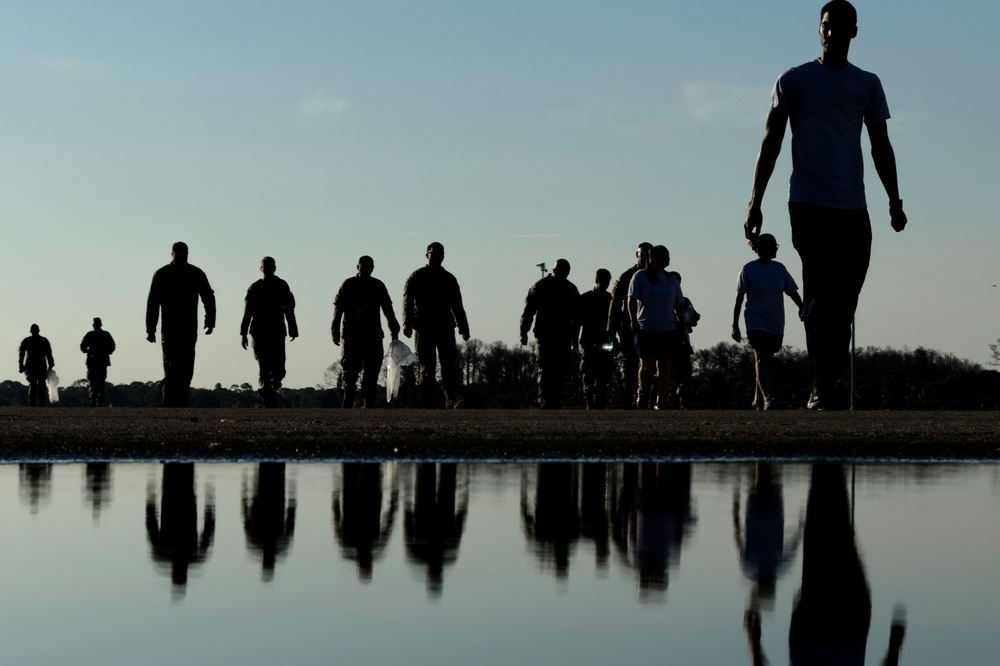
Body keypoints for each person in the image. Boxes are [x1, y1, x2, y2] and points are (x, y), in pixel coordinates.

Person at [744, 0, 907, 410]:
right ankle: (823, 386)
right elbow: (771, 143)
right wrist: (754, 202)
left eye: (840, 27)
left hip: (853, 208)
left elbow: (880, 147)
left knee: (844, 300)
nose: (831, 33)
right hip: (808, 204)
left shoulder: (866, 84)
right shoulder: (794, 80)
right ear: (819, 30)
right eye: (825, 26)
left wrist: (894, 200)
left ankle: (828, 379)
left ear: (854, 31)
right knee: (817, 296)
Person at [732, 234, 804, 410]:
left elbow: (791, 291)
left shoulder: (780, 269)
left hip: (775, 322)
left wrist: (802, 307)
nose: (776, 249)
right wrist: (735, 325)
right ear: (761, 248)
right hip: (755, 321)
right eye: (773, 246)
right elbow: (739, 298)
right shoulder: (748, 269)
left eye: (776, 246)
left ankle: (757, 400)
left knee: (765, 361)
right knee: (762, 359)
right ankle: (768, 398)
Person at [145, 242, 216, 407]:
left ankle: (182, 398)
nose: (182, 259)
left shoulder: (195, 273)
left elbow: (208, 297)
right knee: (170, 364)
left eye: (184, 256)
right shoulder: (162, 274)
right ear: (172, 254)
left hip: (189, 327)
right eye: (178, 256)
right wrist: (150, 329)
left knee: (186, 364)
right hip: (168, 329)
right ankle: (168, 400)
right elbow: (152, 303)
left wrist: (210, 320)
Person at [402, 242, 470, 408]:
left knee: (449, 364)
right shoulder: (416, 277)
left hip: (444, 327)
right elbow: (407, 301)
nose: (437, 257)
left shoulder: (449, 279)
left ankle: (451, 398)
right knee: (426, 366)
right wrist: (407, 323)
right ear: (427, 255)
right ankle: (428, 401)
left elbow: (457, 305)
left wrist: (464, 327)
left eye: (440, 255)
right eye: (434, 254)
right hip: (424, 328)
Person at [332, 255, 400, 408]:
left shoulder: (378, 286)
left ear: (372, 269)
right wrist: (335, 329)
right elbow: (338, 309)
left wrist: (394, 329)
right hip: (351, 335)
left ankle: (368, 404)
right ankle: (347, 403)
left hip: (372, 335)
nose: (366, 270)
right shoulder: (348, 285)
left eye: (369, 267)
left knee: (372, 371)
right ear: (358, 267)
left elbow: (388, 309)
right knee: (349, 373)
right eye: (363, 267)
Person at [627, 245, 687, 410]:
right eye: (661, 257)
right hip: (646, 328)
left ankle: (661, 399)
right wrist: (633, 320)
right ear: (652, 259)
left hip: (667, 329)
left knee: (665, 365)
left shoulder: (671, 280)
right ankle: (643, 392)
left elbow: (679, 306)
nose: (665, 260)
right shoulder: (640, 276)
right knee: (647, 367)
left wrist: (682, 329)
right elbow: (631, 299)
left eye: (667, 257)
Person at [519, 259, 581, 409]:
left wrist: (574, 340)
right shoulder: (540, 287)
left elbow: (577, 317)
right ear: (554, 271)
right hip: (545, 335)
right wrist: (523, 332)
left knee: (560, 369)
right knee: (545, 367)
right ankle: (545, 400)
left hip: (563, 336)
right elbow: (528, 311)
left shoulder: (571, 289)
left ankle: (556, 400)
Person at [240, 256, 298, 408]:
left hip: (277, 332)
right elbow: (248, 312)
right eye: (264, 266)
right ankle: (266, 395)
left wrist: (293, 328)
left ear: (275, 268)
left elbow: (289, 309)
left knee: (279, 369)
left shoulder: (282, 286)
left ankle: (272, 386)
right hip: (259, 333)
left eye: (270, 266)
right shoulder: (255, 288)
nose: (267, 269)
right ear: (261, 269)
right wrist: (243, 333)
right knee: (263, 366)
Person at [608, 243, 653, 408]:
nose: (646, 258)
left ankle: (647, 398)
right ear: (637, 255)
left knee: (651, 364)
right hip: (629, 327)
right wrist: (611, 330)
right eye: (643, 254)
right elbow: (615, 304)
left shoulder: (657, 276)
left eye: (649, 254)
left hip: (652, 327)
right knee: (631, 363)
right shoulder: (626, 277)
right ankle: (628, 397)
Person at [577, 268, 614, 409]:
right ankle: (590, 402)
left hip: (605, 342)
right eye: (603, 281)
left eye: (607, 282)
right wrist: (575, 341)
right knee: (588, 373)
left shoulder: (610, 299)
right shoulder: (585, 299)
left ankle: (600, 401)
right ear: (597, 281)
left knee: (604, 373)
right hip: (589, 341)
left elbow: (617, 320)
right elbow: (577, 321)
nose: (605, 284)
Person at [80, 317, 116, 407]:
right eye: (94, 325)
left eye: (97, 325)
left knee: (101, 382)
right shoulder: (89, 335)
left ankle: (100, 399)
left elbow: (112, 346)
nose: (95, 326)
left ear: (100, 325)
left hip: (102, 361)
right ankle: (93, 398)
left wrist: (105, 351)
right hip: (92, 361)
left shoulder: (106, 335)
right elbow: (82, 346)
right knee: (92, 381)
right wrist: (88, 349)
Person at [18, 324, 54, 407]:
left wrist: (51, 363)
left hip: (41, 365)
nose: (34, 332)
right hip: (30, 366)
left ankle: (41, 403)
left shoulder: (44, 341)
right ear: (31, 331)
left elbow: (49, 353)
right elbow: (21, 354)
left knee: (41, 384)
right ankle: (33, 403)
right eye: (33, 330)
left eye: (36, 330)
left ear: (38, 331)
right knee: (33, 384)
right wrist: (21, 365)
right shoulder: (26, 341)